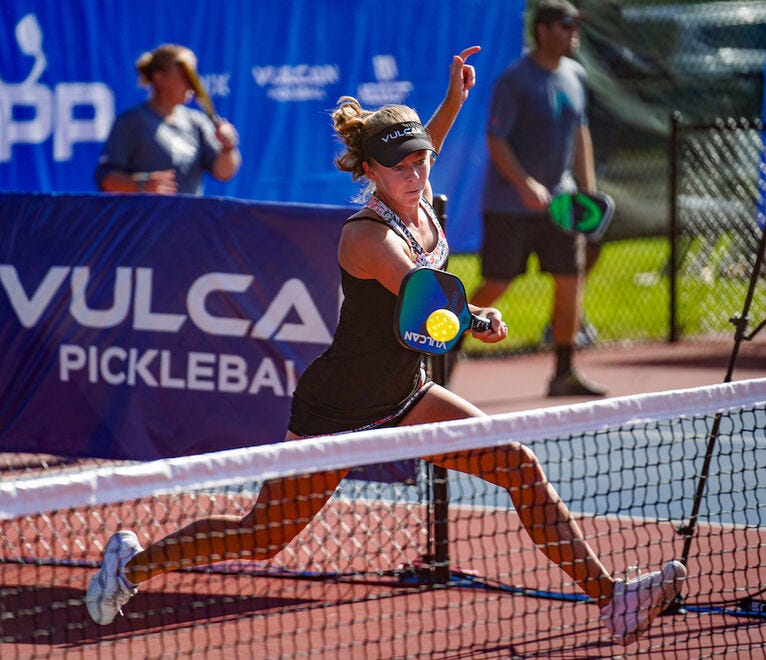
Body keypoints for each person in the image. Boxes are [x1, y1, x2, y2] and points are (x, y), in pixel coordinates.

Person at [85, 46, 685, 647]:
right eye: (400, 165)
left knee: (518, 467)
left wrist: (453, 100)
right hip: (338, 410)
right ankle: (130, 566)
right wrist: (475, 317)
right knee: (262, 535)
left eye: (421, 161)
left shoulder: (417, 189)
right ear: (370, 170)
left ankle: (614, 598)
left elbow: (429, 146)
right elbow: (421, 296)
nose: (416, 173)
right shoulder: (367, 236)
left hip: (407, 393)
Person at [469, 0, 608, 396]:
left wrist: (587, 190)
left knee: (570, 279)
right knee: (496, 283)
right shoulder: (515, 80)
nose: (574, 32)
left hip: (562, 205)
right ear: (543, 30)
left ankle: (564, 373)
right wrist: (524, 184)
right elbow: (496, 139)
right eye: (566, 25)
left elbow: (580, 135)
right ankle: (442, 360)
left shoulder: (576, 75)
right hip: (508, 205)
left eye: (575, 25)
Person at [94, 43, 241, 195]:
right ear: (159, 78)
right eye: (184, 74)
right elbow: (106, 179)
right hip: (147, 218)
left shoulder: (197, 121)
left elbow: (223, 173)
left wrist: (228, 147)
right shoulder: (130, 122)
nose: (192, 82)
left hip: (189, 218)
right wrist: (142, 185)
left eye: (193, 74)